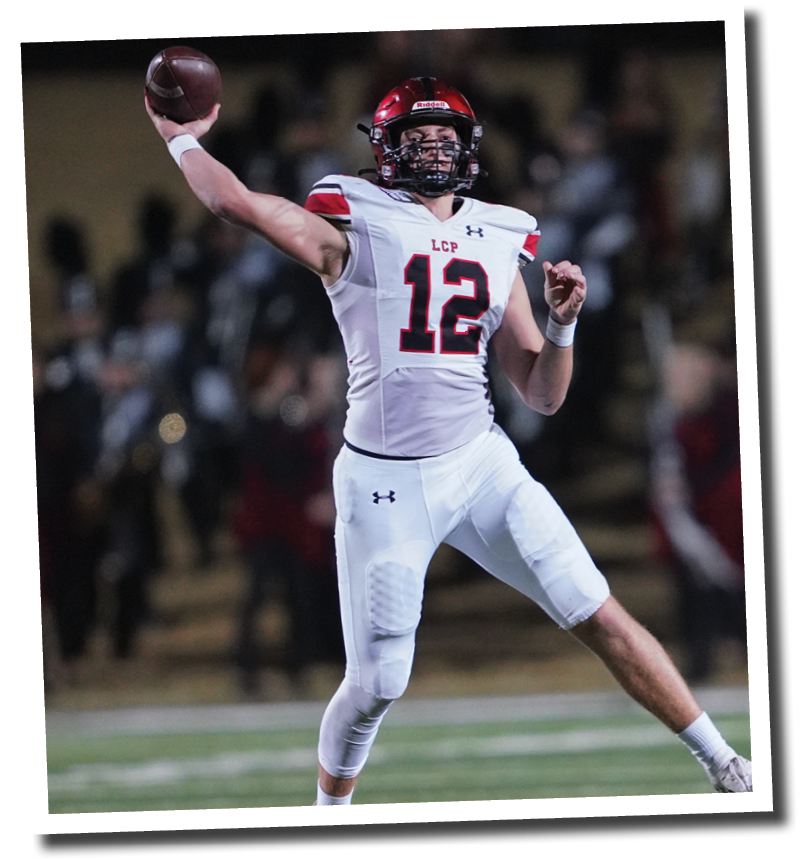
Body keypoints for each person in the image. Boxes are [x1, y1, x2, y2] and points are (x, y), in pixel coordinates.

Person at [145, 75, 752, 802]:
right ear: (383, 149)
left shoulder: (502, 233)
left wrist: (561, 324)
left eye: (446, 135)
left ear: (469, 148)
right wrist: (179, 135)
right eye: (416, 135)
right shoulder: (352, 218)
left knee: (599, 611)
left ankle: (728, 766)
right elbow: (232, 202)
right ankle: (326, 821)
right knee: (377, 684)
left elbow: (544, 393)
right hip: (384, 482)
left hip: (480, 462)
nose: (433, 147)